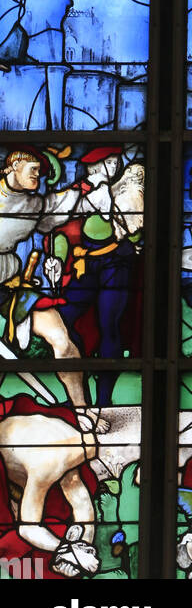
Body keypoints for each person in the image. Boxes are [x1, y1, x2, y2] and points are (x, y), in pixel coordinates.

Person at [50, 149, 144, 407]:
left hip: (117, 264)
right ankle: (81, 396)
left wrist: (128, 225)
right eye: (107, 162)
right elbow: (60, 230)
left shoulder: (125, 192)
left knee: (109, 325)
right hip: (85, 264)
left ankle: (103, 400)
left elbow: (136, 234)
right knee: (63, 320)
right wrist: (56, 260)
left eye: (116, 162)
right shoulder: (79, 192)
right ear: (91, 166)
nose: (113, 167)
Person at [0, 150, 88, 414]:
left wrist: (87, 189)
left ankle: (82, 410)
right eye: (34, 168)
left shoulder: (32, 206)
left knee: (62, 341)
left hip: (8, 288)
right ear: (15, 165)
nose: (38, 175)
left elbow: (57, 207)